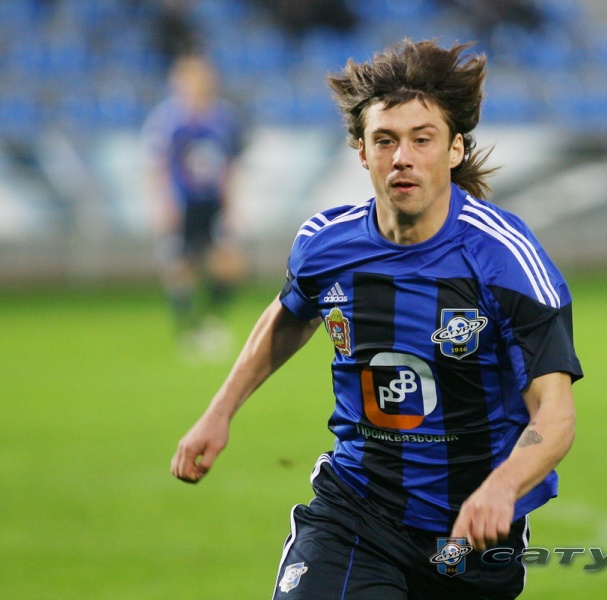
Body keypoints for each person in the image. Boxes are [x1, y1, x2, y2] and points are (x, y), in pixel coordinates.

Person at [171, 39, 583, 598]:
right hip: (356, 510)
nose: (402, 157)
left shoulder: (504, 259)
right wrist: (219, 413)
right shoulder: (327, 244)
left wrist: (502, 487)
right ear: (362, 152)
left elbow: (555, 411)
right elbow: (290, 316)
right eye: (385, 140)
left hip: (471, 531)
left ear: (455, 149)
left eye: (422, 139)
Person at [142, 54, 247, 359]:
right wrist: (164, 204)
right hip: (182, 204)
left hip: (213, 204)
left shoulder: (224, 118)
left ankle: (210, 321)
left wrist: (231, 206)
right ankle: (188, 329)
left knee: (229, 264)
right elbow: (158, 165)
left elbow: (230, 164)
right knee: (180, 267)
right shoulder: (167, 120)